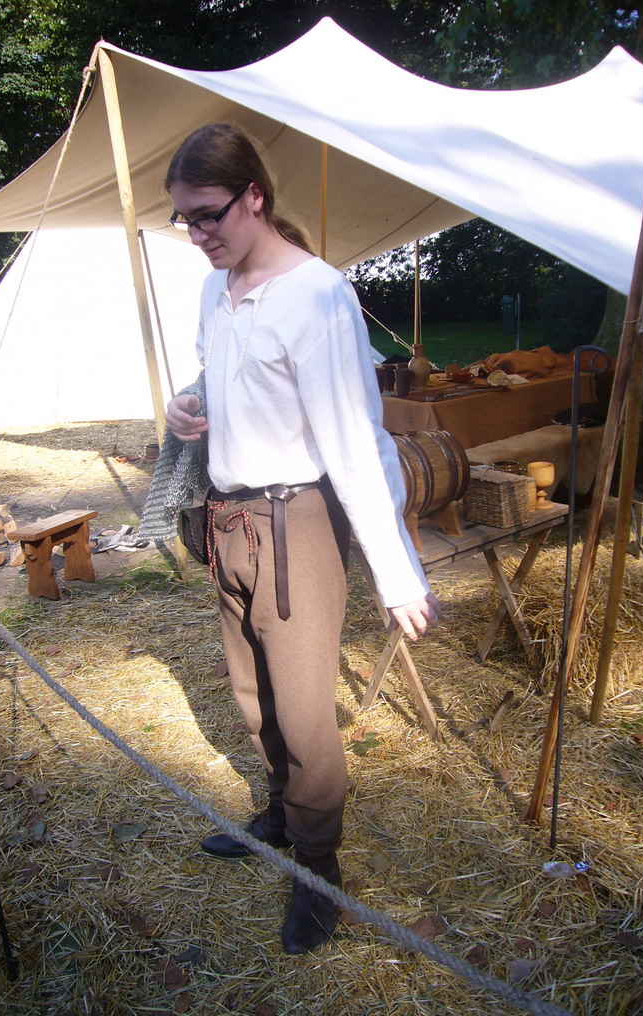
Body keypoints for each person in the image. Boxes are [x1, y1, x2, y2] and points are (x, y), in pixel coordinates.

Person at [164, 123, 440, 955]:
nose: (199, 236)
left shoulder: (317, 294)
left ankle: (320, 873)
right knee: (253, 696)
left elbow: (355, 440)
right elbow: (223, 378)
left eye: (209, 215)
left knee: (308, 718)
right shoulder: (216, 290)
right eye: (184, 221)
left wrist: (396, 574)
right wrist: (187, 406)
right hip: (229, 520)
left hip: (298, 526)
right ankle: (283, 817)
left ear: (255, 197)